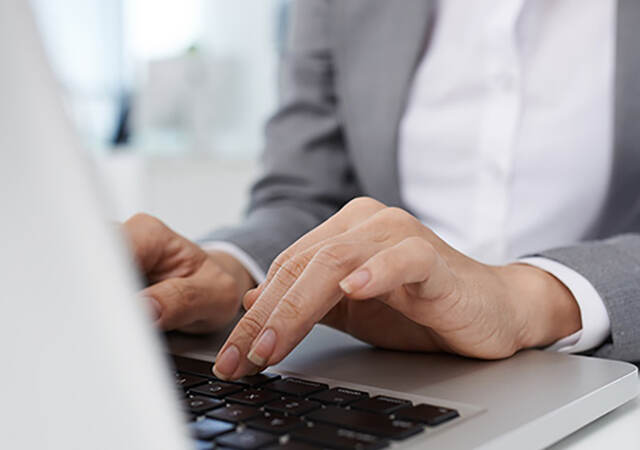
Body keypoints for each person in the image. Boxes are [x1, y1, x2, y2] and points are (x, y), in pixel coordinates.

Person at [123, 0, 640, 381]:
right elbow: (306, 193)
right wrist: (232, 272)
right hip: (390, 365)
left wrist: (530, 298)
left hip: (602, 369)